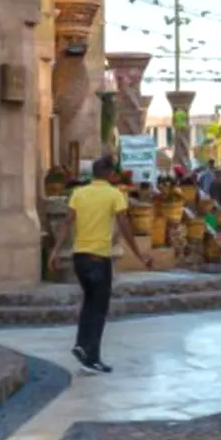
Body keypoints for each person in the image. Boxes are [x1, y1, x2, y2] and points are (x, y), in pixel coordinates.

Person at [50, 156, 152, 374]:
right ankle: (92, 356)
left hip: (80, 258)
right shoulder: (114, 195)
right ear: (110, 174)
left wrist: (55, 251)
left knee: (89, 302)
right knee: (99, 309)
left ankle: (81, 345)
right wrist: (140, 255)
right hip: (99, 259)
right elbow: (124, 226)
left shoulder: (79, 193)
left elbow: (67, 222)